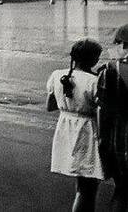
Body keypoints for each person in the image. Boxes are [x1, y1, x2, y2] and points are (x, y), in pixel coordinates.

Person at [47, 39, 104, 212]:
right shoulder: (94, 81)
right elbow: (102, 112)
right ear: (94, 59)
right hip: (87, 132)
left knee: (81, 185)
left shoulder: (57, 75)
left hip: (66, 129)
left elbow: (50, 106)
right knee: (88, 188)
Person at [98, 24, 128, 212]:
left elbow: (104, 110)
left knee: (122, 191)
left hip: (120, 142)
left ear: (123, 44)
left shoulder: (110, 69)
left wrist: (102, 142)